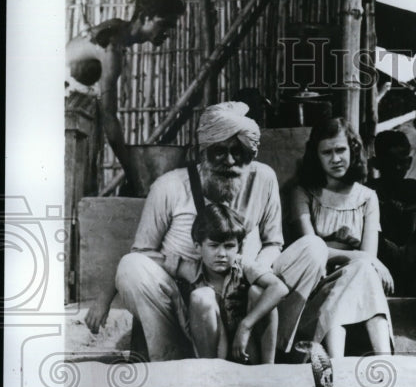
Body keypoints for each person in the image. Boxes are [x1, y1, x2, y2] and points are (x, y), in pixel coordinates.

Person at [86, 102, 328, 361]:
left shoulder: (264, 179)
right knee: (132, 265)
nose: (230, 161)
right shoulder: (169, 187)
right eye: (219, 152)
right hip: (190, 297)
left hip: (247, 290)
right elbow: (143, 253)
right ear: (201, 152)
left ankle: (273, 351)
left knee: (314, 248)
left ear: (251, 154)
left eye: (239, 152)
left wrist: (252, 272)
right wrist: (105, 296)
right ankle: (169, 356)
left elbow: (273, 243)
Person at [290, 118, 395, 359]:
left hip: (357, 283)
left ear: (353, 150)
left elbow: (369, 257)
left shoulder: (368, 197)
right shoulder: (302, 192)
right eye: (327, 152)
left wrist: (364, 259)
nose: (335, 159)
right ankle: (383, 358)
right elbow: (312, 251)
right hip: (315, 287)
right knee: (363, 268)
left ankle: (370, 360)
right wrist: (358, 255)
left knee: (363, 270)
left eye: (341, 150)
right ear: (316, 156)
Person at [66, 0, 186, 191]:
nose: (166, 33)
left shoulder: (117, 28)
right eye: (164, 24)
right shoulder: (112, 49)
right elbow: (109, 116)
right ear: (146, 17)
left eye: (171, 28)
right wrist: (132, 170)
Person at [185, 203, 288, 363]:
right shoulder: (190, 268)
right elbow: (161, 264)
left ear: (239, 248)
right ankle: (208, 372)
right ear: (198, 247)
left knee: (259, 292)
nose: (221, 254)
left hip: (245, 347)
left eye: (229, 246)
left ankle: (267, 369)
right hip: (217, 350)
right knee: (201, 296)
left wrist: (245, 326)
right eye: (213, 246)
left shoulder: (243, 265)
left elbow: (279, 288)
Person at [369, 129, 416, 297]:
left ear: (410, 162)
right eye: (390, 162)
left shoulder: (411, 186)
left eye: (402, 162)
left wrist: (410, 209)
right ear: (377, 163)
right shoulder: (370, 189)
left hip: (411, 256)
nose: (398, 168)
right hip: (379, 254)